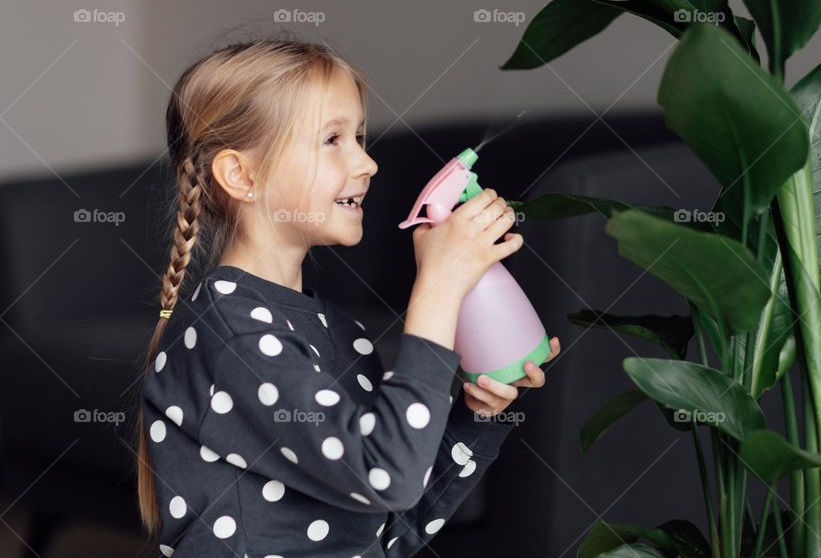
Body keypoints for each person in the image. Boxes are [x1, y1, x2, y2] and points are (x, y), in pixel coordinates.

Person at [135, 38, 560, 557]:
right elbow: (386, 476)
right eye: (332, 139)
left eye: (358, 136)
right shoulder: (234, 337)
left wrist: (478, 415)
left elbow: (394, 524)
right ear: (242, 175)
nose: (367, 162)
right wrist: (438, 286)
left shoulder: (337, 334)